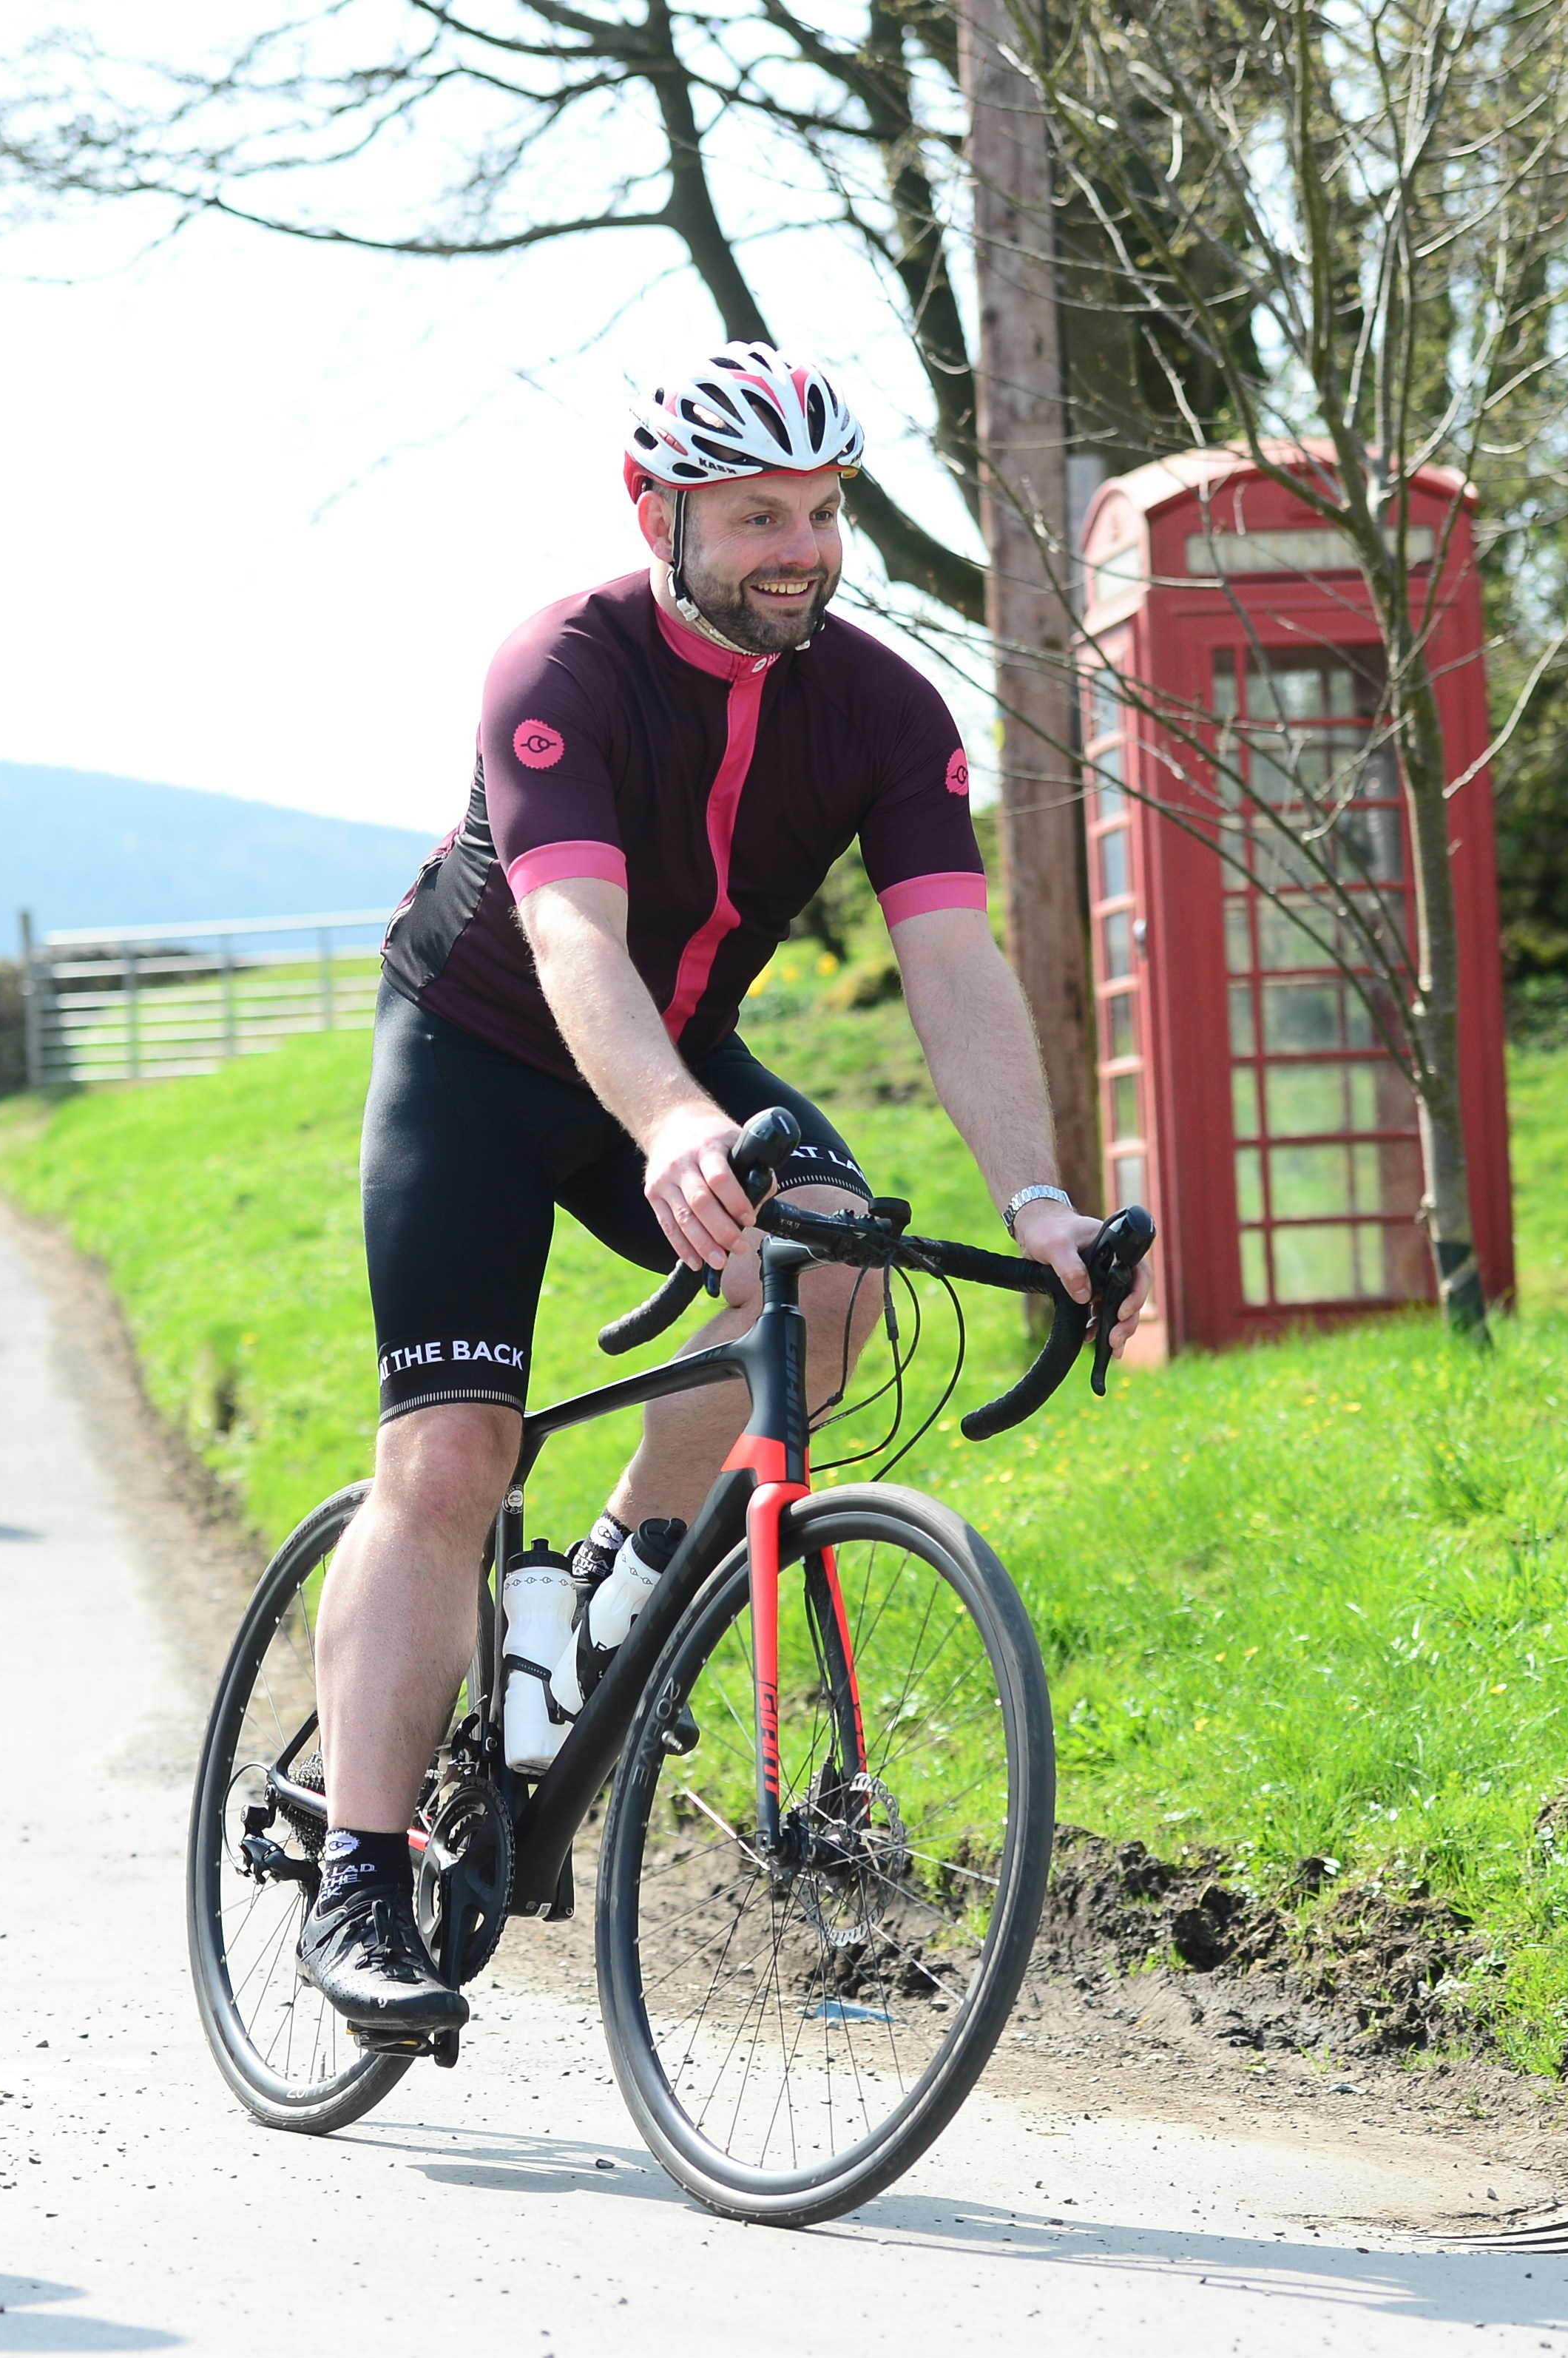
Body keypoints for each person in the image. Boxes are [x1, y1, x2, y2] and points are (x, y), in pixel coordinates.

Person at [298, 345, 1152, 2036]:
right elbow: (569, 939)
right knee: (454, 1452)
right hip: (486, 1055)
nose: (803, 548)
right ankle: (358, 1869)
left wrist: (1046, 1198)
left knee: (835, 1267)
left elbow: (954, 963)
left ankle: (604, 1594)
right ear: (659, 511)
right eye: (760, 513)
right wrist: (677, 1125)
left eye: (823, 510)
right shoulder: (564, 661)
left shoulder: (886, 708)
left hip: (672, 1056)